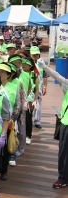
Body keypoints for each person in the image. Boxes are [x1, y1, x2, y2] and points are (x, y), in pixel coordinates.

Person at [36, 58, 68, 188]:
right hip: (67, 124)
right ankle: (63, 178)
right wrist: (44, 67)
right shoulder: (67, 85)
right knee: (64, 153)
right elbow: (57, 76)